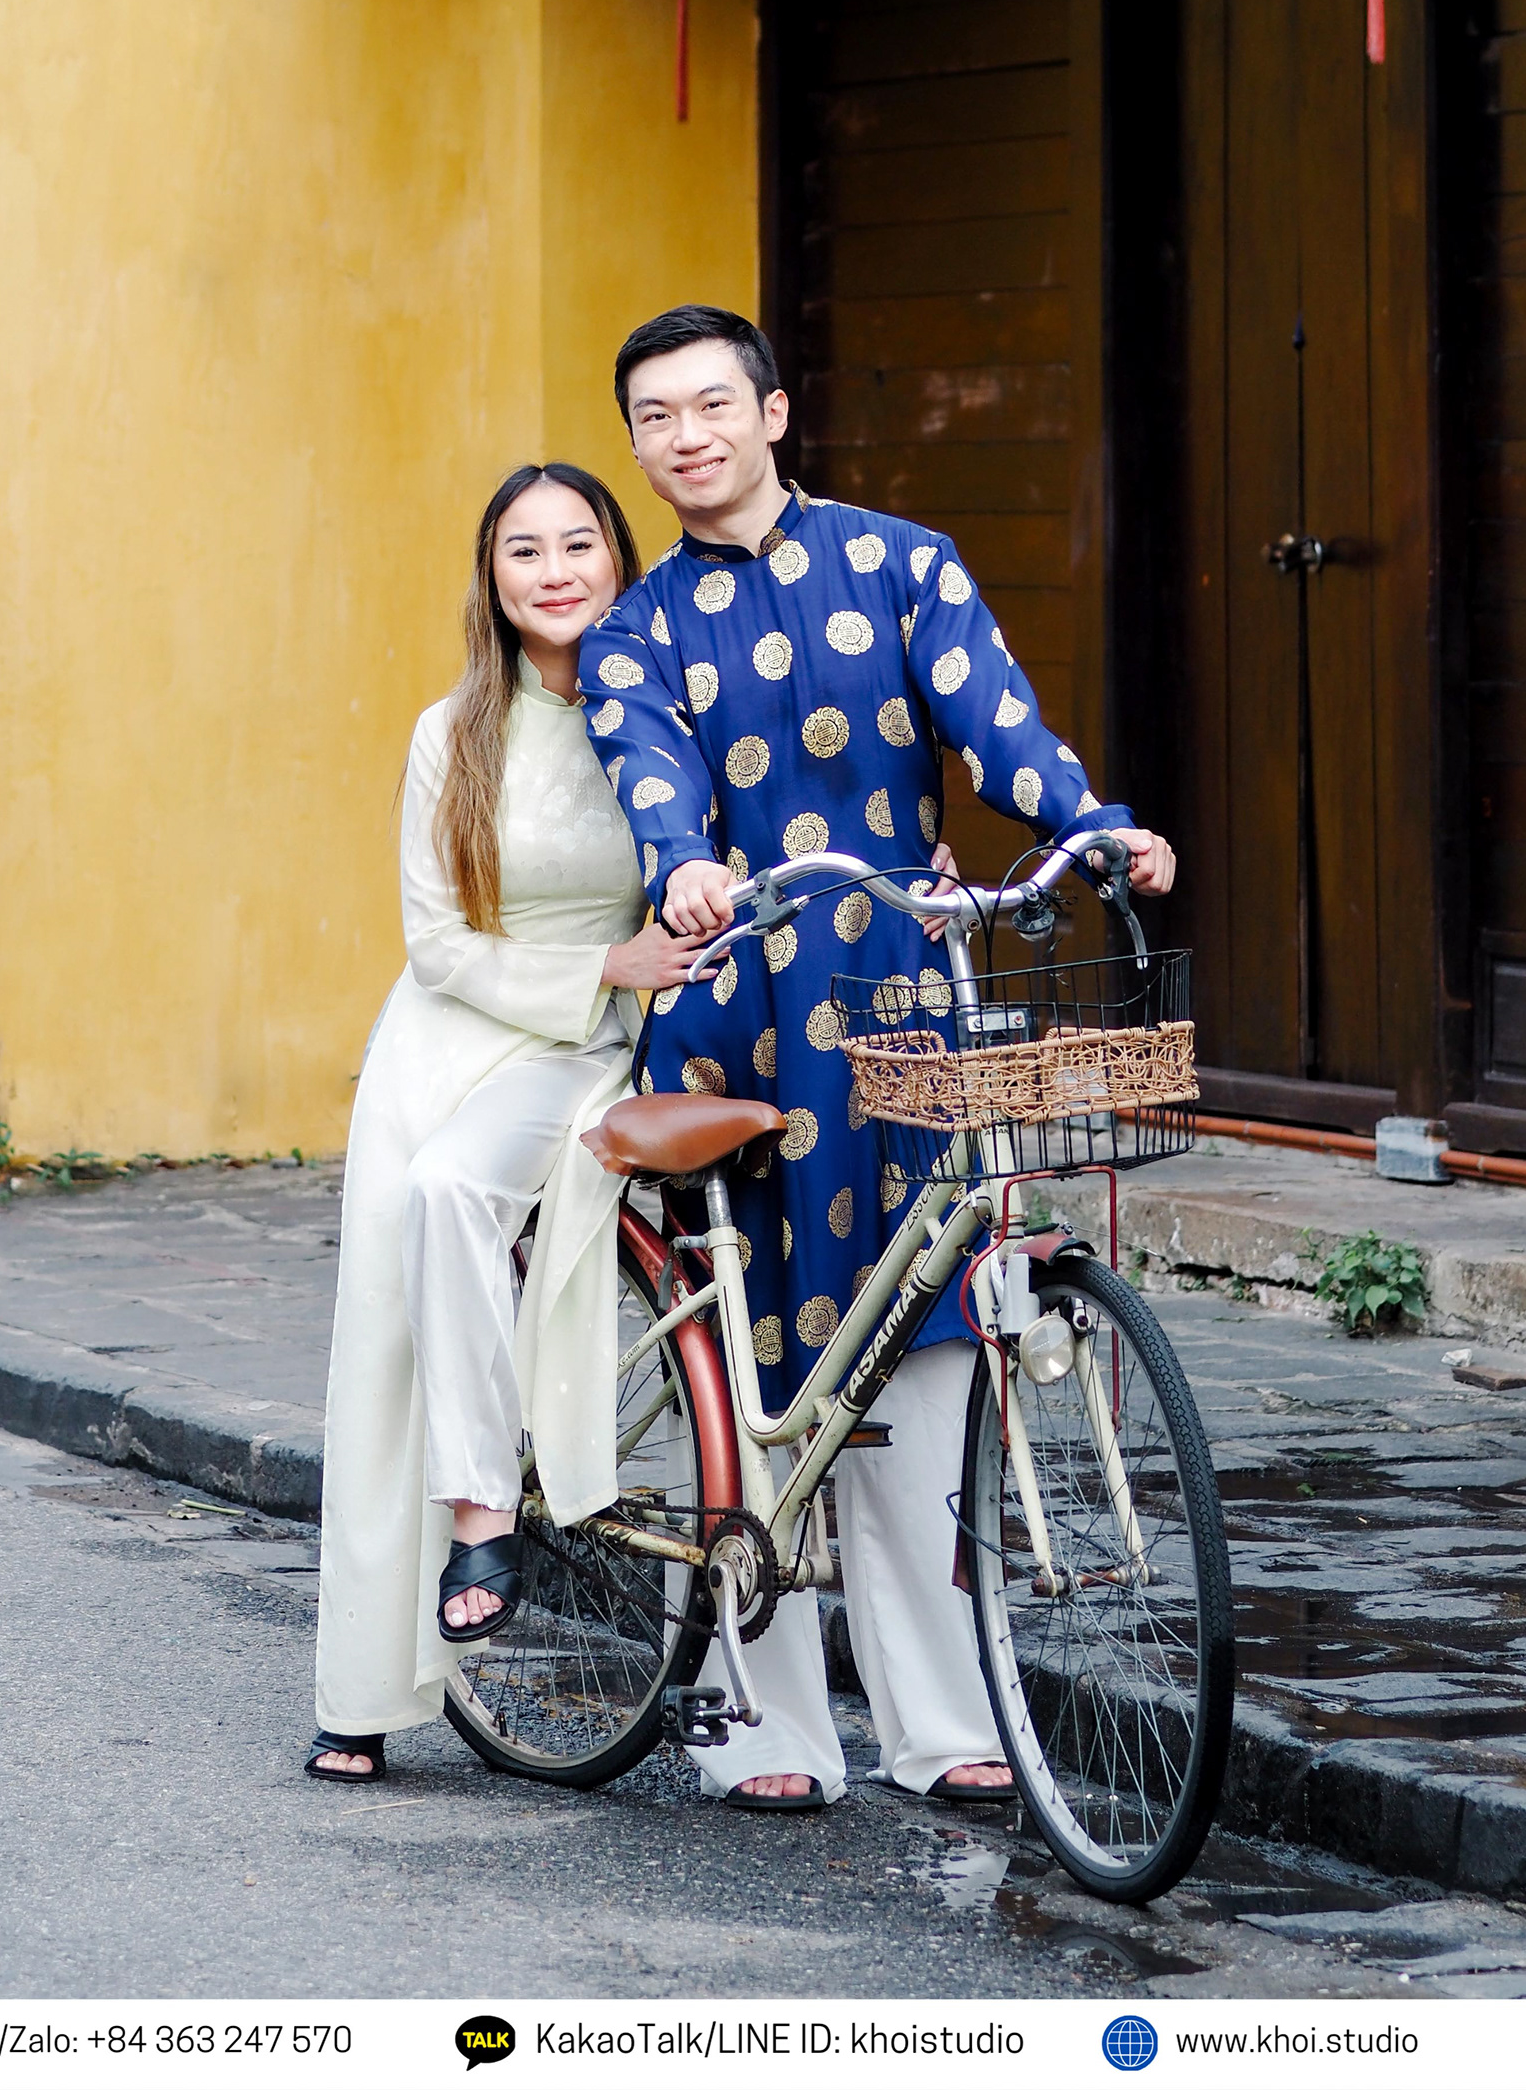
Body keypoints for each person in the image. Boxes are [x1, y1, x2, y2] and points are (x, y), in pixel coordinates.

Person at [578, 304, 1176, 1810]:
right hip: (739, 1002)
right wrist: (683, 868)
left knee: (921, 1346)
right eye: (656, 416)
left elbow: (999, 730)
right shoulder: (633, 632)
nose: (687, 435)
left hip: (904, 992)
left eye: (714, 403)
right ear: (639, 444)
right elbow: (652, 775)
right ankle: (763, 1721)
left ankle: (939, 1722)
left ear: (775, 414)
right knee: (764, 1359)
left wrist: (1089, 829)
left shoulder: (906, 563)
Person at [309, 462, 701, 1782]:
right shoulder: (454, 731)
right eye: (521, 550)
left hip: (581, 1049)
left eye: (577, 543)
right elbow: (436, 946)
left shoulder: (673, 708)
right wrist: (605, 966)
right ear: (492, 579)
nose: (553, 570)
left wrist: (630, 976)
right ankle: (370, 1677)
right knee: (383, 1340)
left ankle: (483, 1507)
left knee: (454, 1195)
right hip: (448, 1038)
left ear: (618, 556)